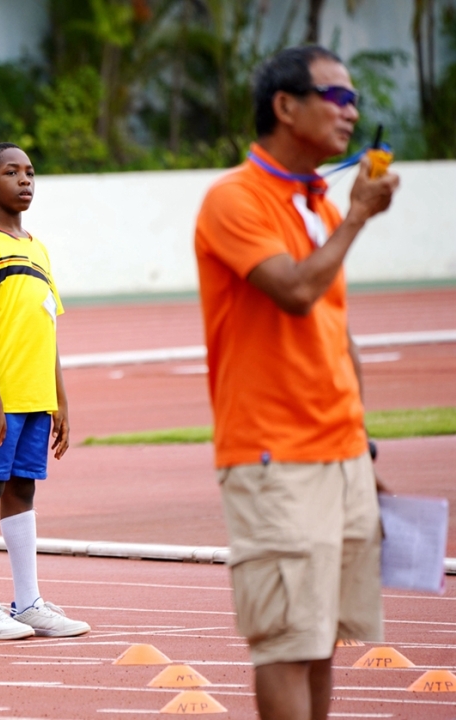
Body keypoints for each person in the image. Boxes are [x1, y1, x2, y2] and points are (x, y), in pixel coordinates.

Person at [193, 46, 398, 720]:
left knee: (322, 639)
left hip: (339, 453)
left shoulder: (319, 207)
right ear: (285, 106)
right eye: (337, 97)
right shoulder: (234, 198)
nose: (352, 112)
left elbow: (337, 335)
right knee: (287, 642)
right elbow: (295, 292)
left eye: (354, 100)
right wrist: (360, 215)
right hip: (274, 455)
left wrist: (362, 447)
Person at [0, 143, 90, 641]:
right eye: (11, 173)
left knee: (23, 488)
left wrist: (60, 400)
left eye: (30, 172)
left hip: (36, 396)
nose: (25, 180)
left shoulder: (37, 248)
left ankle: (28, 602)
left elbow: (47, 325)